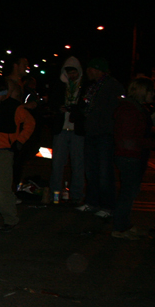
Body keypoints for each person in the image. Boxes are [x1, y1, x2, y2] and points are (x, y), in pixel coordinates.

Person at [0, 79, 36, 231]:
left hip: (5, 151)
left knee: (2, 188)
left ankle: (10, 219)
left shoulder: (15, 107)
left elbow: (30, 123)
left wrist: (19, 141)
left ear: (5, 94)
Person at [76, 58, 124, 218]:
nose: (88, 71)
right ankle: (92, 202)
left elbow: (115, 110)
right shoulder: (93, 86)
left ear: (98, 69)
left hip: (105, 134)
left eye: (90, 68)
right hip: (92, 132)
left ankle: (107, 205)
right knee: (91, 170)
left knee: (105, 172)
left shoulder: (112, 86)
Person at [111, 78, 154, 240]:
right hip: (129, 155)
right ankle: (120, 228)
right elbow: (130, 137)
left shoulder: (134, 108)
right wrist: (149, 143)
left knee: (130, 191)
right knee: (128, 192)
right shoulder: (130, 110)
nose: (152, 95)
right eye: (150, 91)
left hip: (130, 154)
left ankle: (124, 224)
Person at [49, 57, 85, 205]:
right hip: (62, 129)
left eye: (74, 73)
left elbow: (86, 108)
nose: (72, 76)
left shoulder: (84, 88)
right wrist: (59, 108)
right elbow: (51, 103)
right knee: (57, 163)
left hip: (77, 130)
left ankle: (76, 195)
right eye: (69, 73)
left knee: (78, 164)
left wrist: (76, 109)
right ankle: (55, 194)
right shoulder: (60, 86)